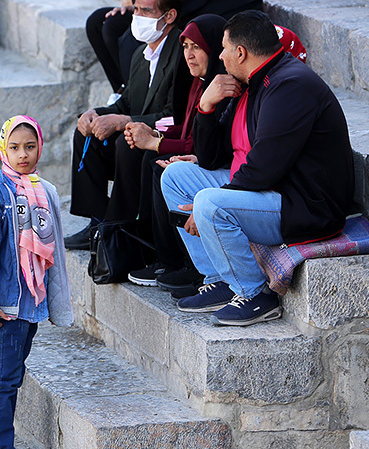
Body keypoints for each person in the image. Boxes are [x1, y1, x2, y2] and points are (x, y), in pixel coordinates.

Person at [160, 10, 353, 325]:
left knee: (209, 203)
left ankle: (256, 295)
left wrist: (206, 206)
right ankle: (222, 280)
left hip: (303, 205)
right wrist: (205, 108)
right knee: (176, 177)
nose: (219, 56)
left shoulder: (290, 85)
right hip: (270, 190)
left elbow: (264, 167)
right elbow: (211, 158)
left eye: (223, 48)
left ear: (240, 52)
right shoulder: (250, 82)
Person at [0, 116, 72, 449]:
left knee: (12, 376)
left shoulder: (36, 189)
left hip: (28, 301)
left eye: (30, 146)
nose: (23, 154)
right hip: (6, 306)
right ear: (2, 150)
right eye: (14, 148)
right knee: (1, 378)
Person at [65, 0, 188, 251]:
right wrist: (95, 114)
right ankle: (98, 223)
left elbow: (175, 115)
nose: (138, 17)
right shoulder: (141, 55)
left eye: (146, 11)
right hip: (139, 132)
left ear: (170, 15)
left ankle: (119, 227)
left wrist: (125, 122)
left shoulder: (181, 53)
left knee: (126, 139)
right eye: (136, 10)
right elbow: (126, 104)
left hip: (165, 137)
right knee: (86, 134)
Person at [121, 15, 229, 293]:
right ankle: (159, 255)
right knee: (149, 158)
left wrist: (157, 144)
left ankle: (184, 264)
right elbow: (188, 131)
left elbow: (203, 146)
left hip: (223, 168)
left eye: (197, 47)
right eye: (185, 47)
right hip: (204, 158)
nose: (189, 55)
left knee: (160, 165)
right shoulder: (199, 79)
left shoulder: (223, 85)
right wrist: (156, 137)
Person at [85, 0, 263, 95]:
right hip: (177, 7)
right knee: (101, 22)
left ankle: (139, 103)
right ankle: (125, 91)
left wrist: (150, 9)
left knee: (130, 40)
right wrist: (140, 7)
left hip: (212, 11)